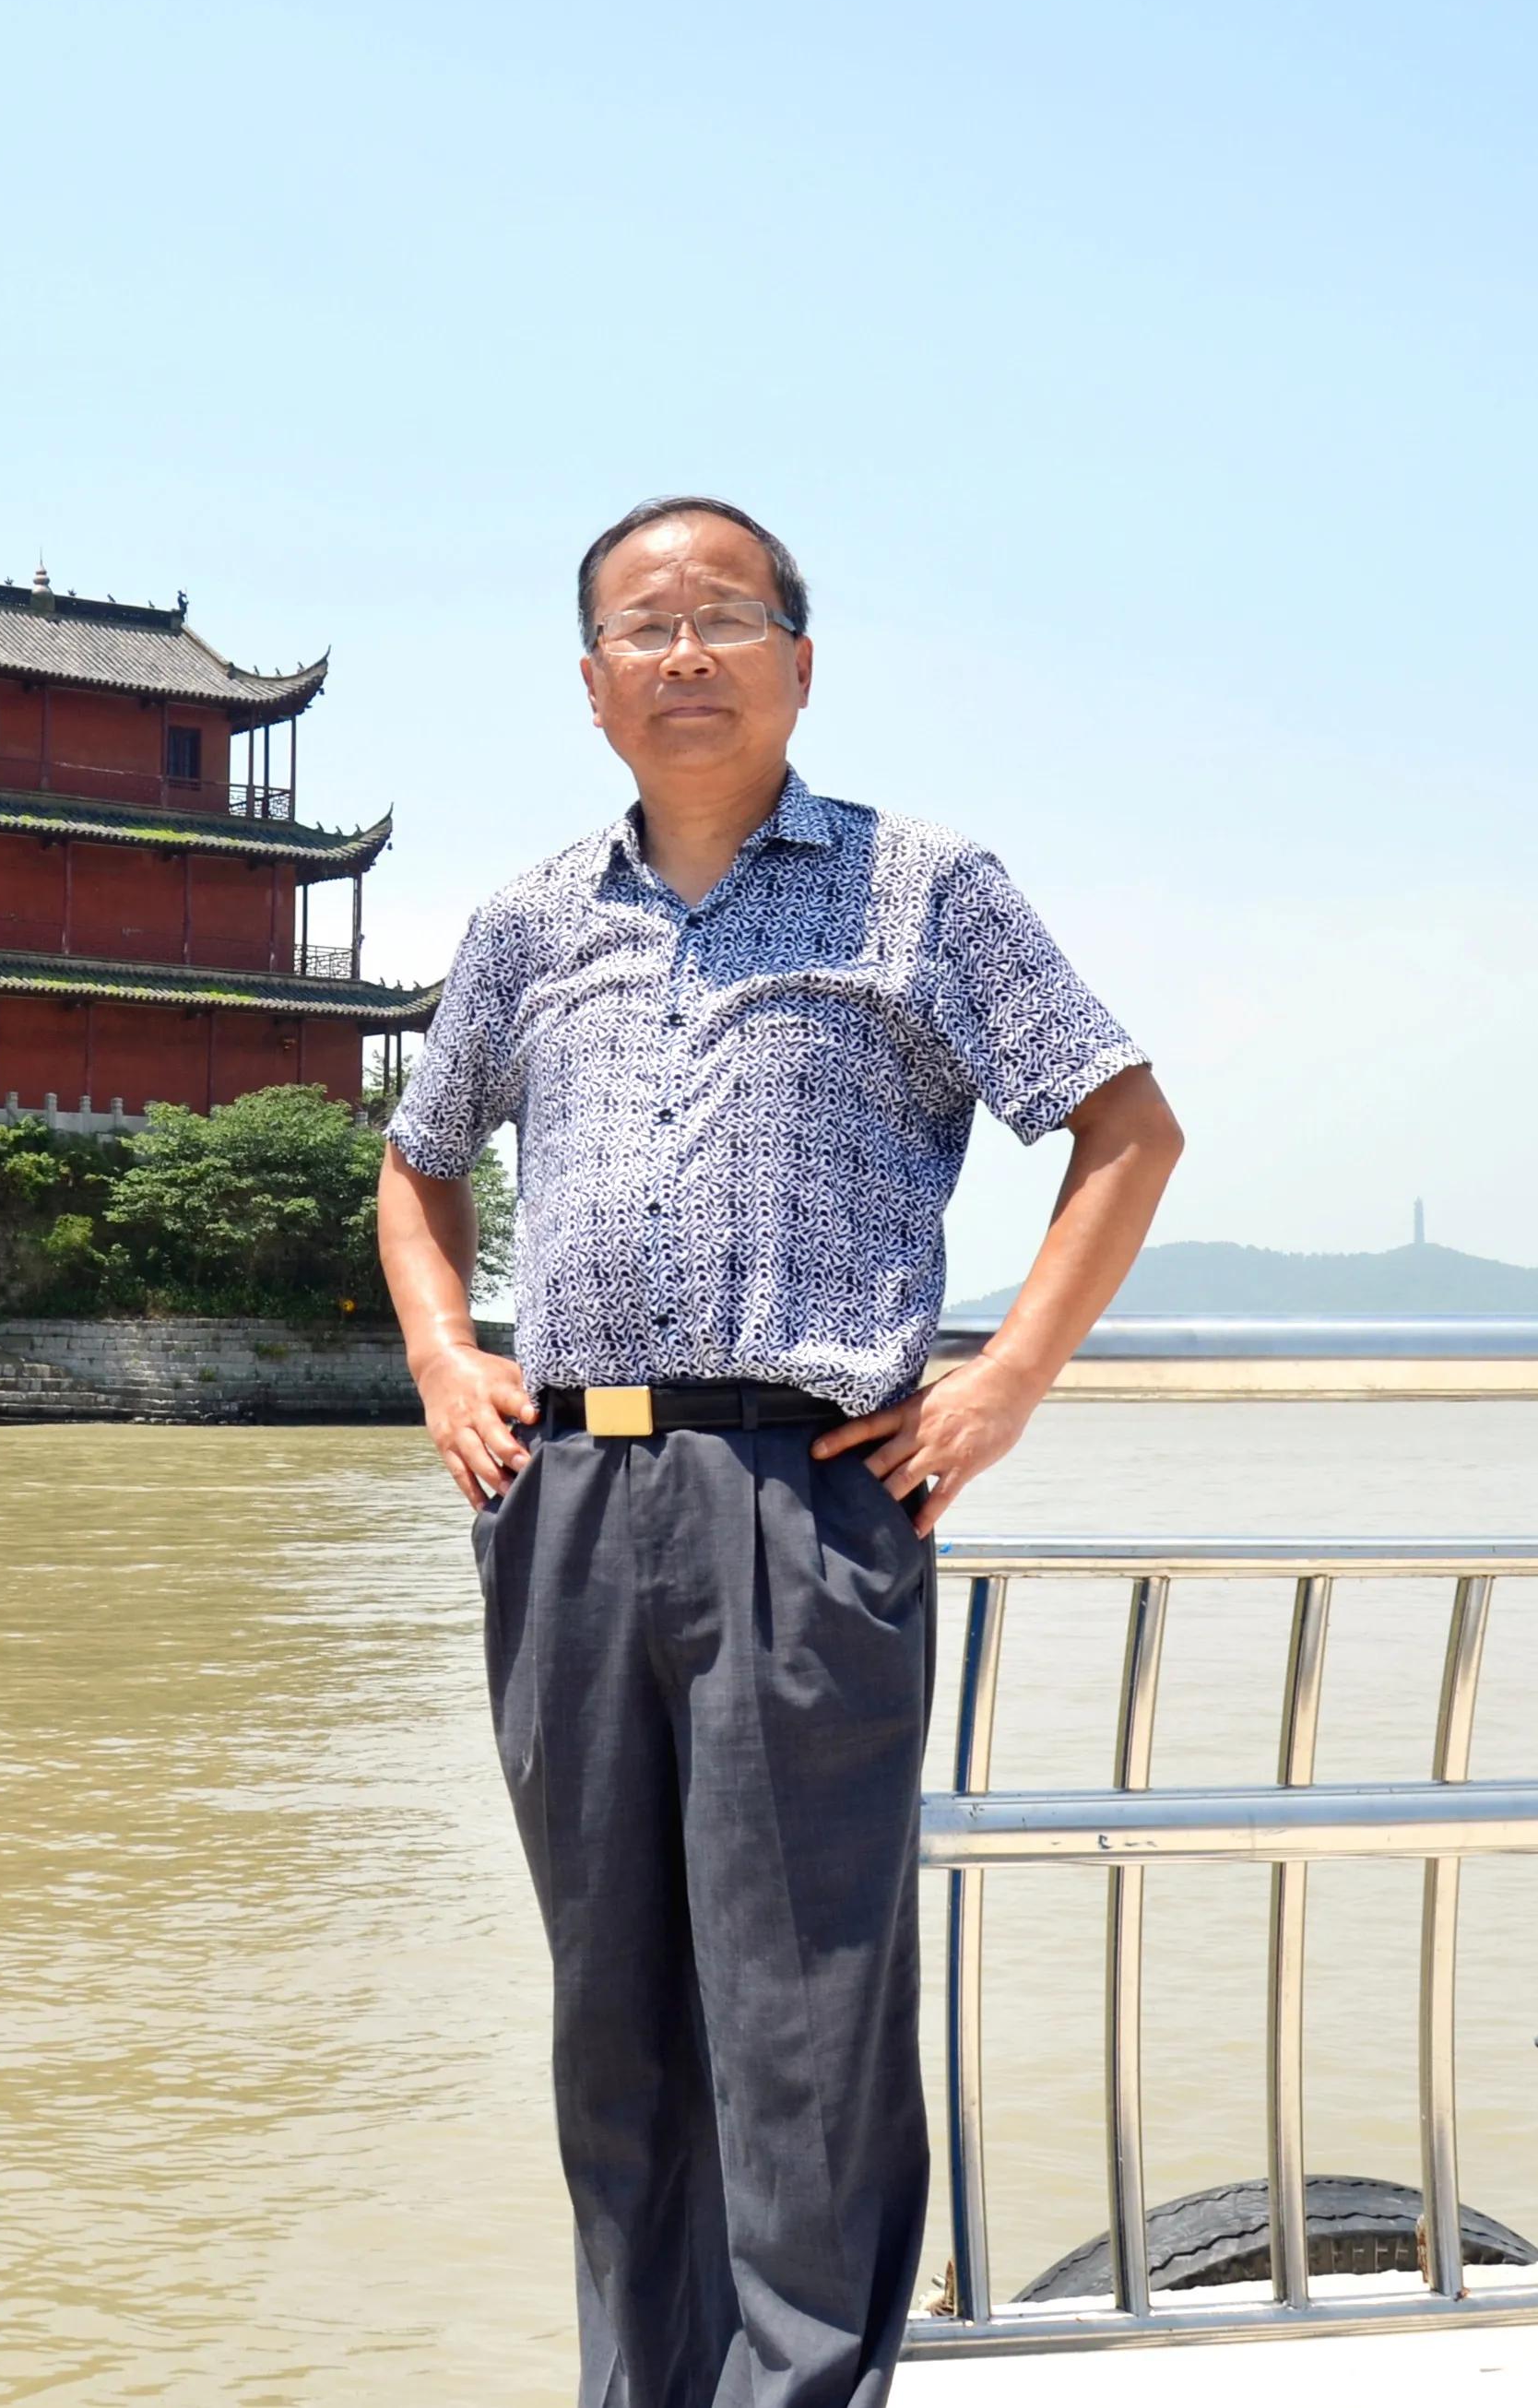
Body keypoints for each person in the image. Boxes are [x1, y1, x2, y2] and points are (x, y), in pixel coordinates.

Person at [377, 497, 1182, 2407]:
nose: (683, 656)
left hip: (799, 1500)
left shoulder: (923, 888)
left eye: (722, 619)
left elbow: (1124, 1131)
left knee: (801, 2028)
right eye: (642, 629)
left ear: (797, 661)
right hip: (561, 1500)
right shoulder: (521, 922)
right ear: (588, 686)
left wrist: (999, 1385)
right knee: (615, 2033)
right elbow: (412, 1167)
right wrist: (438, 1352)